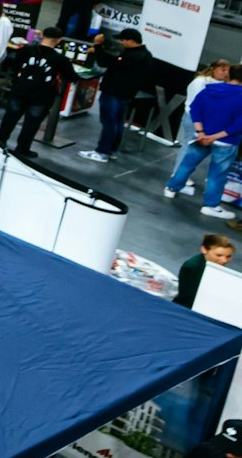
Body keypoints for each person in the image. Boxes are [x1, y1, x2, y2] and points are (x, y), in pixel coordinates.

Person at [166, 68, 242, 220]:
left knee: (187, 164)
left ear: (229, 74)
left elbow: (194, 109)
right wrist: (214, 137)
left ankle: (171, 188)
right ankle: (210, 206)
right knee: (217, 175)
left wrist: (201, 132)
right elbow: (238, 125)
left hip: (200, 136)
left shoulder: (210, 89)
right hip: (225, 142)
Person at [0, 26, 76, 156]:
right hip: (42, 96)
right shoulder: (60, 59)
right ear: (59, 40)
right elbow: (72, 76)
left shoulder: (26, 49)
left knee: (9, 118)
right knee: (31, 124)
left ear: (42, 35)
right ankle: (22, 149)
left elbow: (15, 65)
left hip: (19, 90)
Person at [84, 27, 157, 163]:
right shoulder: (146, 55)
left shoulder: (131, 56)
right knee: (118, 122)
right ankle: (112, 150)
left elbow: (106, 62)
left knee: (109, 122)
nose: (121, 43)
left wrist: (98, 46)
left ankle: (102, 152)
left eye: (123, 40)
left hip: (114, 92)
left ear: (131, 41)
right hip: (126, 94)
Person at [177, 235, 236, 309]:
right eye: (219, 255)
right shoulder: (192, 267)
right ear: (204, 249)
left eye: (228, 256)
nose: (224, 260)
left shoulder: (214, 265)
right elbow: (189, 297)